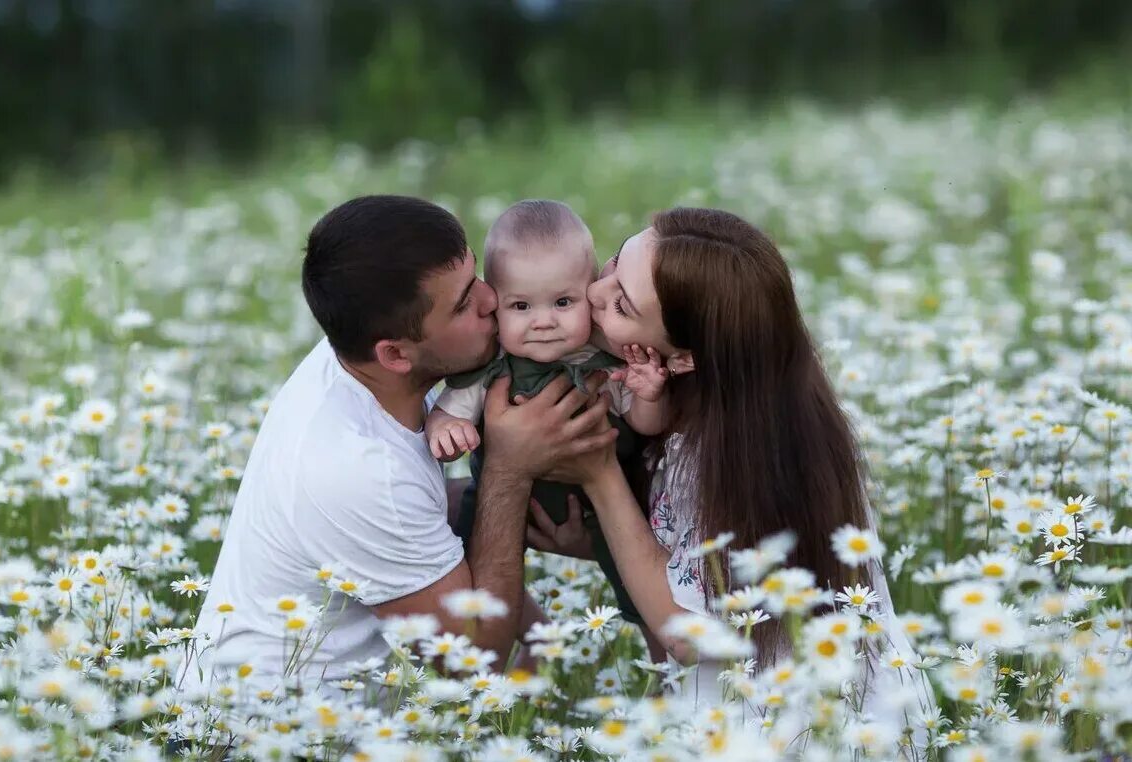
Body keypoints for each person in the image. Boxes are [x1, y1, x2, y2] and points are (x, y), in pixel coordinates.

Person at [181, 195, 617, 699]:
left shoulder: (356, 348)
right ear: (394, 354)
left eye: (476, 276)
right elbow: (475, 657)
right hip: (262, 735)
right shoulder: (357, 467)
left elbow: (423, 517)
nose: (491, 300)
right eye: (462, 305)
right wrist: (509, 470)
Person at [530, 207, 935, 726]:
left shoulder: (718, 459)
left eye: (621, 305)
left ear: (682, 359)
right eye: (612, 264)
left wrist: (599, 473)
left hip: (791, 729)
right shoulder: (776, 413)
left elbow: (687, 635)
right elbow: (710, 568)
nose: (593, 292)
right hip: (871, 710)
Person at [425, 199, 670, 627]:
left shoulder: (603, 362)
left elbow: (645, 425)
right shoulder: (493, 368)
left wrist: (649, 394)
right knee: (471, 563)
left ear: (590, 291)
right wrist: (446, 428)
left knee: (640, 587)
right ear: (494, 303)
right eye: (521, 307)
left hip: (604, 507)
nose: (543, 322)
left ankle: (663, 663)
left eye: (562, 302)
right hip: (503, 506)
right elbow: (450, 412)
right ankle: (513, 641)